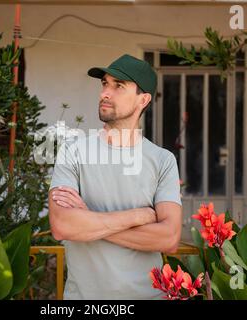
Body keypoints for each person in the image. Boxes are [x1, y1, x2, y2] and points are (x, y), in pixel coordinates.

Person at [48, 54, 182, 300]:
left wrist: (88, 220)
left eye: (118, 86)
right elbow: (62, 226)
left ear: (143, 99)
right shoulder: (73, 153)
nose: (105, 93)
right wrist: (137, 217)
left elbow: (169, 238)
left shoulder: (163, 161)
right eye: (104, 84)